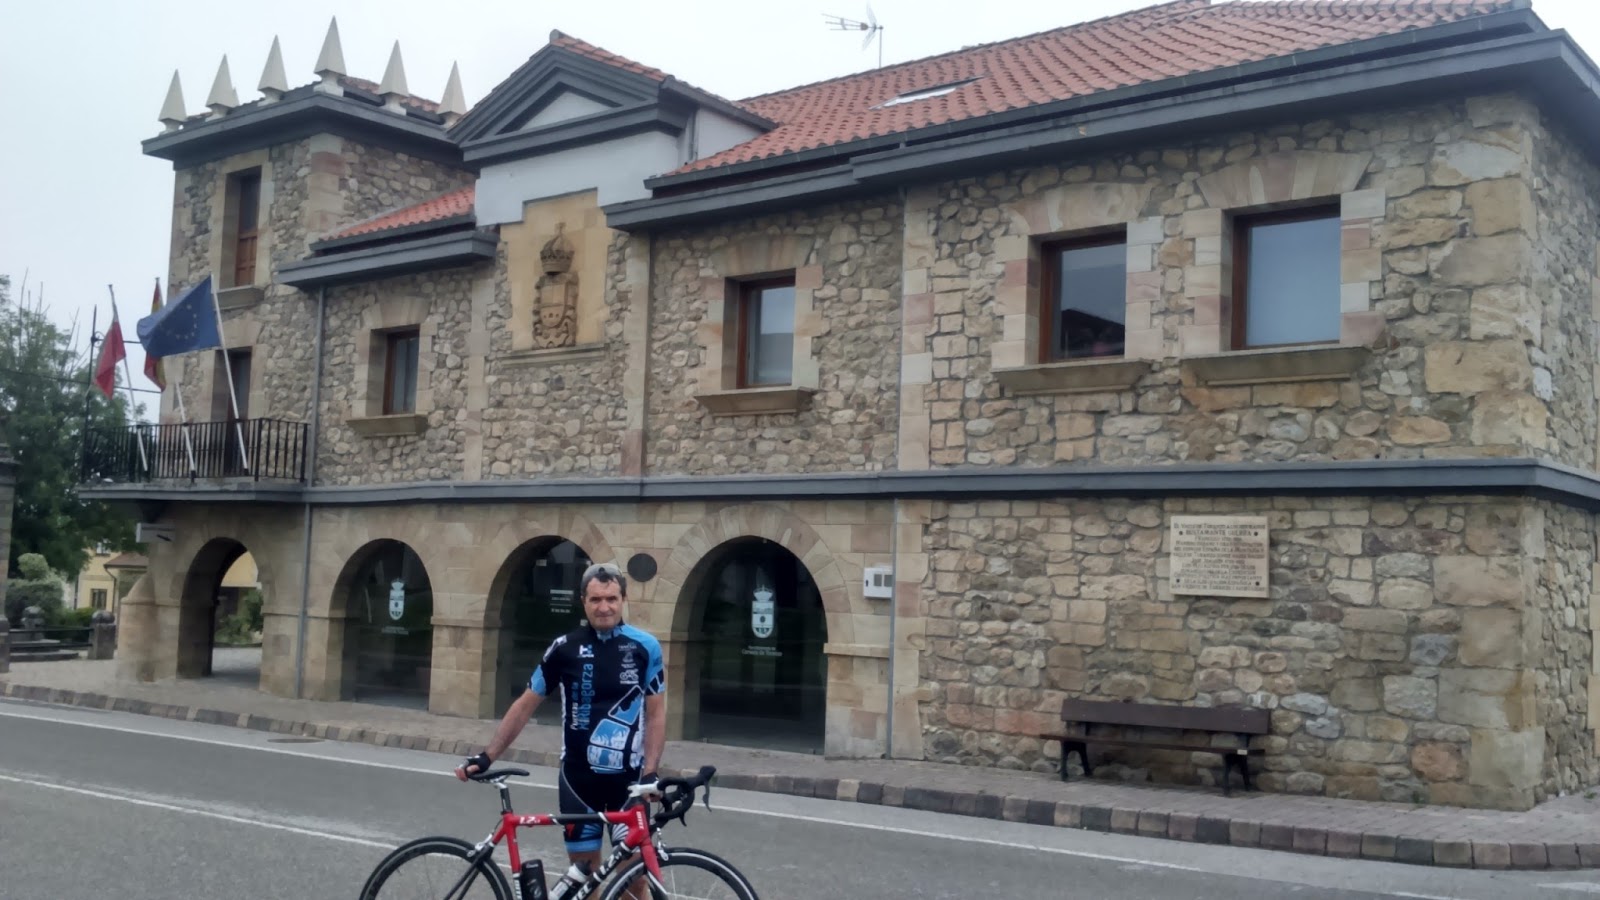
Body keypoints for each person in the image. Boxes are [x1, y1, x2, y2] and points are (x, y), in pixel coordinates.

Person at [456, 562, 665, 894]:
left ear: (623, 598)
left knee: (634, 880)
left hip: (629, 784)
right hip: (578, 783)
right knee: (585, 882)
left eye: (611, 598)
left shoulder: (646, 648)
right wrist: (487, 756)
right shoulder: (563, 648)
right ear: (583, 600)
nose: (604, 607)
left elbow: (656, 714)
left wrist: (651, 771)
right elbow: (525, 704)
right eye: (595, 599)